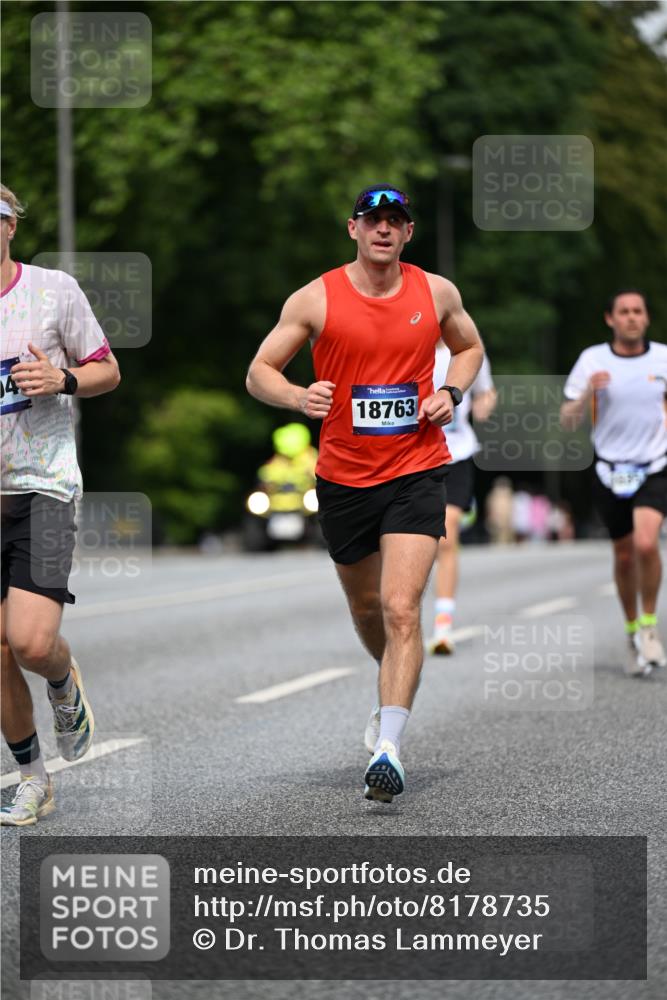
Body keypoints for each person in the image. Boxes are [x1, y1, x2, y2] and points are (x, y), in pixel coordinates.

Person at [246, 184, 483, 802]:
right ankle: (391, 683)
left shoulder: (436, 292)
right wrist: (298, 396)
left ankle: (389, 747)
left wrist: (451, 393)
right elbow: (259, 372)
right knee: (367, 608)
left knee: (402, 608)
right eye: (372, 219)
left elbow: (469, 347)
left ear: (408, 233)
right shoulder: (315, 298)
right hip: (344, 477)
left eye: (394, 221)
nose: (383, 229)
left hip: (417, 469)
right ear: (352, 229)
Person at [0, 185, 121, 825]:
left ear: (11, 226)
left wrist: (62, 379)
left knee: (29, 641)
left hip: (41, 487)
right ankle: (32, 779)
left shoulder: (53, 291)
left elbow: (107, 369)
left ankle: (62, 679)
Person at [561, 289, 667, 676]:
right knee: (623, 555)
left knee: (645, 542)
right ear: (610, 319)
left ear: (647, 318)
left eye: (638, 311)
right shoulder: (592, 360)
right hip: (610, 469)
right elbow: (568, 418)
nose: (631, 317)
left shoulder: (663, 358)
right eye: (624, 312)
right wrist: (588, 392)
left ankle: (650, 624)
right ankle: (631, 630)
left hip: (655, 464)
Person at [427, 346, 496, 654]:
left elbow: (486, 391)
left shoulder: (467, 348)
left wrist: (483, 406)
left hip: (456, 454)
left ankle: (443, 627)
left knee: (446, 535)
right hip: (412, 456)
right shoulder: (407, 340)